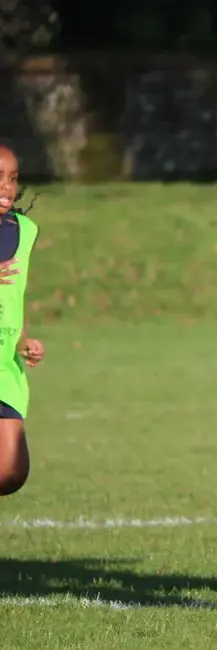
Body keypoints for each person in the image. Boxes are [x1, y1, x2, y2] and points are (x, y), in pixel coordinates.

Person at [0, 145, 45, 497]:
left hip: (5, 367)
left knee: (12, 472)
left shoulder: (25, 231)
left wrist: (23, 341)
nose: (6, 187)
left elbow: (15, 298)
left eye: (12, 178)